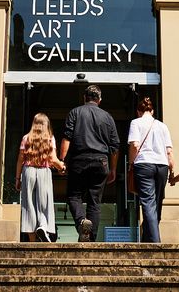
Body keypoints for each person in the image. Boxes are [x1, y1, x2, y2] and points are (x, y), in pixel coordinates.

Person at [60, 84, 120, 242]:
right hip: (101, 161)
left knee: (74, 195)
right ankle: (90, 238)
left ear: (84, 98)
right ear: (99, 100)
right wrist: (113, 169)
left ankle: (81, 222)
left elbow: (67, 138)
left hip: (79, 159)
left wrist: (62, 161)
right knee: (95, 201)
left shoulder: (75, 112)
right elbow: (115, 147)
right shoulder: (107, 117)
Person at [127, 96, 174, 243]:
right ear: (152, 111)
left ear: (138, 111)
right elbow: (169, 151)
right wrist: (171, 170)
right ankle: (148, 238)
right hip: (162, 165)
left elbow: (135, 145)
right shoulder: (162, 126)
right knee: (157, 202)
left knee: (148, 202)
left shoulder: (135, 123)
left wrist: (131, 162)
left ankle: (154, 241)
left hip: (144, 164)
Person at [15, 113, 65, 242]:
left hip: (28, 171)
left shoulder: (26, 138)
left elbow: (20, 159)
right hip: (44, 171)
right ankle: (42, 226)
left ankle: (32, 242)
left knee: (29, 205)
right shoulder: (49, 139)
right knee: (44, 203)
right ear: (46, 125)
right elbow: (53, 159)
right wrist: (62, 167)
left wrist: (17, 178)